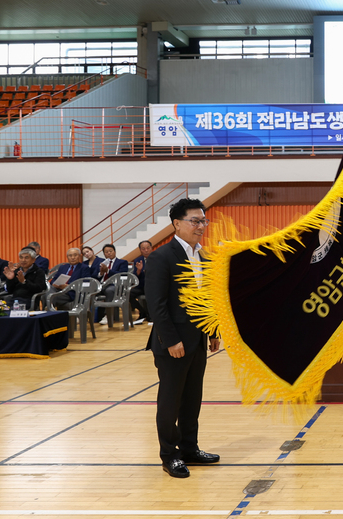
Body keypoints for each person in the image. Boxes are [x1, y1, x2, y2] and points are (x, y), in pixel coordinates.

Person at [146, 198, 221, 479]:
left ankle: (190, 448)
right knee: (170, 400)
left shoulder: (204, 256)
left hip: (198, 339)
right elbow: (157, 304)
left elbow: (208, 299)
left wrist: (213, 330)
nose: (201, 226)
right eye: (195, 221)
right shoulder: (161, 257)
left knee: (192, 398)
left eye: (204, 221)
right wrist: (171, 339)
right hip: (172, 342)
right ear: (177, 224)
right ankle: (170, 455)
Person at [95, 243, 128, 324]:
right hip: (101, 285)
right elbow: (94, 276)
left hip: (115, 285)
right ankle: (86, 315)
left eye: (110, 251)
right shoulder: (101, 263)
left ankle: (107, 315)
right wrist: (101, 273)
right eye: (106, 252)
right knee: (87, 291)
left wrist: (108, 271)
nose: (109, 253)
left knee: (110, 290)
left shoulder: (122, 262)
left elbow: (121, 275)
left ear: (115, 252)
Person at [131, 240, 152, 325]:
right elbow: (135, 277)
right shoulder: (138, 260)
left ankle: (150, 315)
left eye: (148, 248)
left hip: (152, 286)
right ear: (140, 250)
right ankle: (143, 312)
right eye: (143, 249)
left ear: (151, 248)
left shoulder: (157, 258)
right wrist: (139, 271)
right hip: (141, 286)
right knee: (129, 293)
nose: (146, 250)